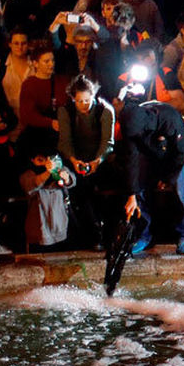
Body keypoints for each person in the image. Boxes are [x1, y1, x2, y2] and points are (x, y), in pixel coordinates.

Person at [117, 90, 184, 256]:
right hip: (149, 153)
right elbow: (132, 161)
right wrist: (132, 194)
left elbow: (181, 153)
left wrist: (168, 178)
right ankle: (144, 235)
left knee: (180, 190)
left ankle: (183, 235)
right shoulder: (131, 125)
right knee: (140, 189)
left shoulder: (169, 119)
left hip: (174, 154)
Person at [57, 74, 115, 249]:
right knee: (79, 187)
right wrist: (74, 160)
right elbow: (65, 142)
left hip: (101, 160)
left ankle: (105, 232)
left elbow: (108, 142)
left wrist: (97, 161)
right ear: (73, 99)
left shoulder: (105, 110)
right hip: (76, 159)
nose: (84, 105)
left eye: (87, 100)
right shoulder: (65, 111)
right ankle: (90, 234)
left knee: (98, 187)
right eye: (80, 101)